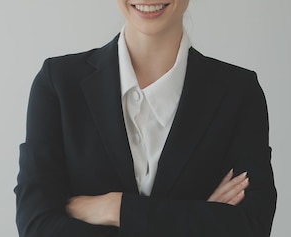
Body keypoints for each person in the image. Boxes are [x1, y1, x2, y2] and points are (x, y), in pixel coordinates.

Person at [14, 0, 276, 236]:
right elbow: (36, 226)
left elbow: (251, 226)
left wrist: (116, 208)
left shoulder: (239, 92)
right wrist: (198, 220)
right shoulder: (58, 84)